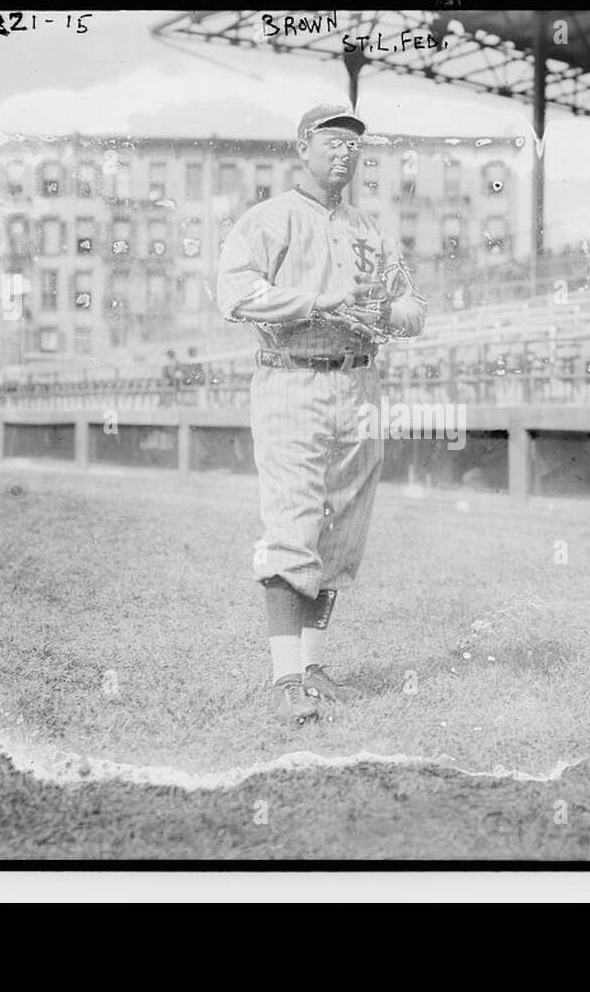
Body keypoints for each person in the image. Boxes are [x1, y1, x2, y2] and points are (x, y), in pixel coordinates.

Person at [216, 104, 429, 724]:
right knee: (293, 525)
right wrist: (317, 301)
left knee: (342, 531)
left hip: (359, 384)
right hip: (292, 379)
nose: (345, 153)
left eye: (353, 145)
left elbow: (412, 306)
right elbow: (236, 293)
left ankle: (312, 665)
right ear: (303, 148)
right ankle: (285, 677)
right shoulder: (269, 219)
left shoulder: (372, 230)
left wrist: (386, 313)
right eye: (332, 142)